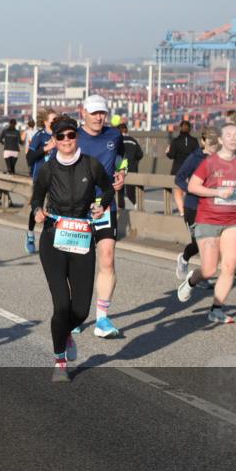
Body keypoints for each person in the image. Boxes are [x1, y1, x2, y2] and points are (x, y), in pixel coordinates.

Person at [31, 116, 115, 382]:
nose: (67, 141)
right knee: (61, 306)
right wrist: (36, 211)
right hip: (54, 238)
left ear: (76, 136)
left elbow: (109, 188)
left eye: (71, 135)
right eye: (61, 137)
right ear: (54, 140)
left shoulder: (91, 164)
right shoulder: (48, 169)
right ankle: (59, 361)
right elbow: (36, 197)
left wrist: (101, 204)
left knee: (80, 311)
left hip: (81, 239)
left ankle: (66, 333)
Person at [177, 123, 236, 324]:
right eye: (228, 135)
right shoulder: (208, 163)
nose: (233, 138)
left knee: (229, 267)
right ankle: (192, 280)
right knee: (209, 270)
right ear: (220, 140)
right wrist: (217, 192)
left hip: (232, 220)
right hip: (208, 219)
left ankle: (216, 309)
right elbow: (192, 185)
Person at [75, 94, 127, 338]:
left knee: (107, 259)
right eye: (94, 112)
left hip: (105, 206)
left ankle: (102, 320)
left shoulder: (114, 136)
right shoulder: (71, 136)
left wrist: (121, 173)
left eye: (102, 113)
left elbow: (122, 157)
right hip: (77, 208)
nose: (98, 117)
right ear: (82, 112)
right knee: (78, 264)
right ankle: (75, 313)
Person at [174, 127, 219, 282]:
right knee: (198, 243)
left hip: (210, 208)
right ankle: (185, 259)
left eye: (216, 143)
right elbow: (179, 178)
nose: (214, 146)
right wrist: (192, 190)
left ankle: (202, 275)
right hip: (193, 207)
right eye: (211, 143)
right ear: (203, 141)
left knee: (210, 243)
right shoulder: (194, 157)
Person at [24, 108, 57, 254]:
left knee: (54, 208)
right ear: (45, 122)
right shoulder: (39, 135)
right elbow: (29, 157)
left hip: (56, 177)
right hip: (40, 177)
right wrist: (46, 148)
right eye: (53, 120)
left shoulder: (60, 135)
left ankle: (50, 239)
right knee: (36, 208)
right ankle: (30, 234)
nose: (56, 122)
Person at [166, 120, 197, 214]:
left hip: (178, 169)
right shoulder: (194, 141)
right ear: (190, 129)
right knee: (189, 191)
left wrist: (167, 152)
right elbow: (198, 154)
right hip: (191, 170)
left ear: (180, 128)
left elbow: (171, 155)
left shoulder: (175, 141)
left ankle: (182, 211)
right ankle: (190, 209)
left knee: (177, 191)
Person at [117, 122, 143, 208]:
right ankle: (137, 206)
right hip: (132, 167)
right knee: (130, 192)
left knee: (120, 191)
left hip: (120, 168)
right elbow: (140, 154)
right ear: (126, 130)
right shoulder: (133, 140)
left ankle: (121, 209)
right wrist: (134, 161)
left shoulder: (117, 140)